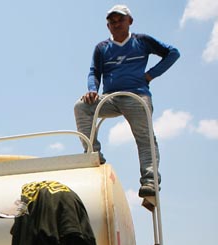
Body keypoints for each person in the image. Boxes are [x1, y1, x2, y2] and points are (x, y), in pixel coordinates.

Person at [74, 4, 180, 198]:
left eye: (120, 20)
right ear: (108, 26)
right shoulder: (102, 48)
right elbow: (94, 72)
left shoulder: (142, 41)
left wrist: (150, 75)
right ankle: (94, 156)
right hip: (110, 98)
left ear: (129, 21)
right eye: (111, 22)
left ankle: (150, 181)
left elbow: (173, 53)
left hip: (137, 95)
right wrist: (92, 90)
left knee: (145, 137)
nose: (116, 24)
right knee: (81, 106)